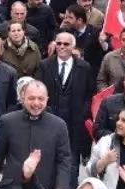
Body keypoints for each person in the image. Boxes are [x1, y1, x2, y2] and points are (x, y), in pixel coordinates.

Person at [38, 31, 94, 163]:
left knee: (72, 159)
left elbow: (90, 93)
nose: (62, 46)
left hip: (74, 121)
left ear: (73, 47)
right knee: (49, 158)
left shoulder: (84, 67)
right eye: (59, 43)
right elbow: (39, 90)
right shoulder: (45, 65)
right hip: (50, 119)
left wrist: (83, 112)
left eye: (66, 44)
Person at [97, 27, 125, 91]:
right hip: (115, 99)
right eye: (123, 40)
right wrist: (108, 95)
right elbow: (101, 81)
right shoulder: (109, 57)